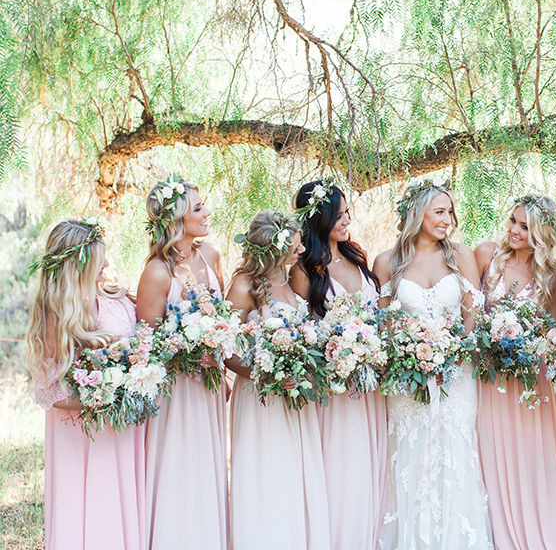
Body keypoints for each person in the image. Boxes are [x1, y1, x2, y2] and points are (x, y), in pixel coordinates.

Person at [371, 178, 494, 550]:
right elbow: (385, 324)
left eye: (450, 212)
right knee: (409, 458)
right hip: (408, 384)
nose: (447, 219)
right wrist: (411, 359)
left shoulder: (460, 255)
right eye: (440, 211)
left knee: (456, 454)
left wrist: (451, 354)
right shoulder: (387, 261)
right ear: (416, 213)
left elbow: (474, 315)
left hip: (456, 377)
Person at [27, 218, 146, 550]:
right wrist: (107, 390)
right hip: (82, 431)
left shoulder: (114, 295)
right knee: (88, 509)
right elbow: (49, 388)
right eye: (99, 258)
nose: (107, 264)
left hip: (120, 426)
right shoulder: (58, 313)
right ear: (77, 264)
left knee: (118, 503)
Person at [473, 194, 556, 550]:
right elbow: (470, 309)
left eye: (525, 226)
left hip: (528, 376)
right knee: (489, 444)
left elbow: (550, 327)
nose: (515, 231)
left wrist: (524, 348)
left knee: (531, 453)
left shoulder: (552, 275)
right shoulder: (486, 254)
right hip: (488, 375)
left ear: (542, 232)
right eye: (514, 221)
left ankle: (534, 526)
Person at [290, 179, 387, 549]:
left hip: (368, 385)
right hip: (333, 389)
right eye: (339, 214)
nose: (347, 220)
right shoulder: (304, 268)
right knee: (341, 471)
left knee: (368, 469)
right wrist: (339, 353)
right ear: (319, 218)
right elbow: (304, 332)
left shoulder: (357, 256)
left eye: (348, 212)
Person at [227, 211, 330, 550]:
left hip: (296, 399)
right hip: (262, 399)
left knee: (295, 476)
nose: (301, 251)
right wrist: (266, 372)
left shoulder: (290, 280)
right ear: (274, 248)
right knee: (267, 475)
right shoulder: (244, 287)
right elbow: (224, 349)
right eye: (296, 246)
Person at [135, 176, 228, 550]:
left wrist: (217, 354)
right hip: (174, 394)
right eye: (198, 208)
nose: (206, 213)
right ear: (176, 219)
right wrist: (186, 351)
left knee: (208, 470)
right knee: (178, 470)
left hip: (208, 388)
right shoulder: (158, 273)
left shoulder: (213, 256)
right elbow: (146, 344)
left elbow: (224, 318)